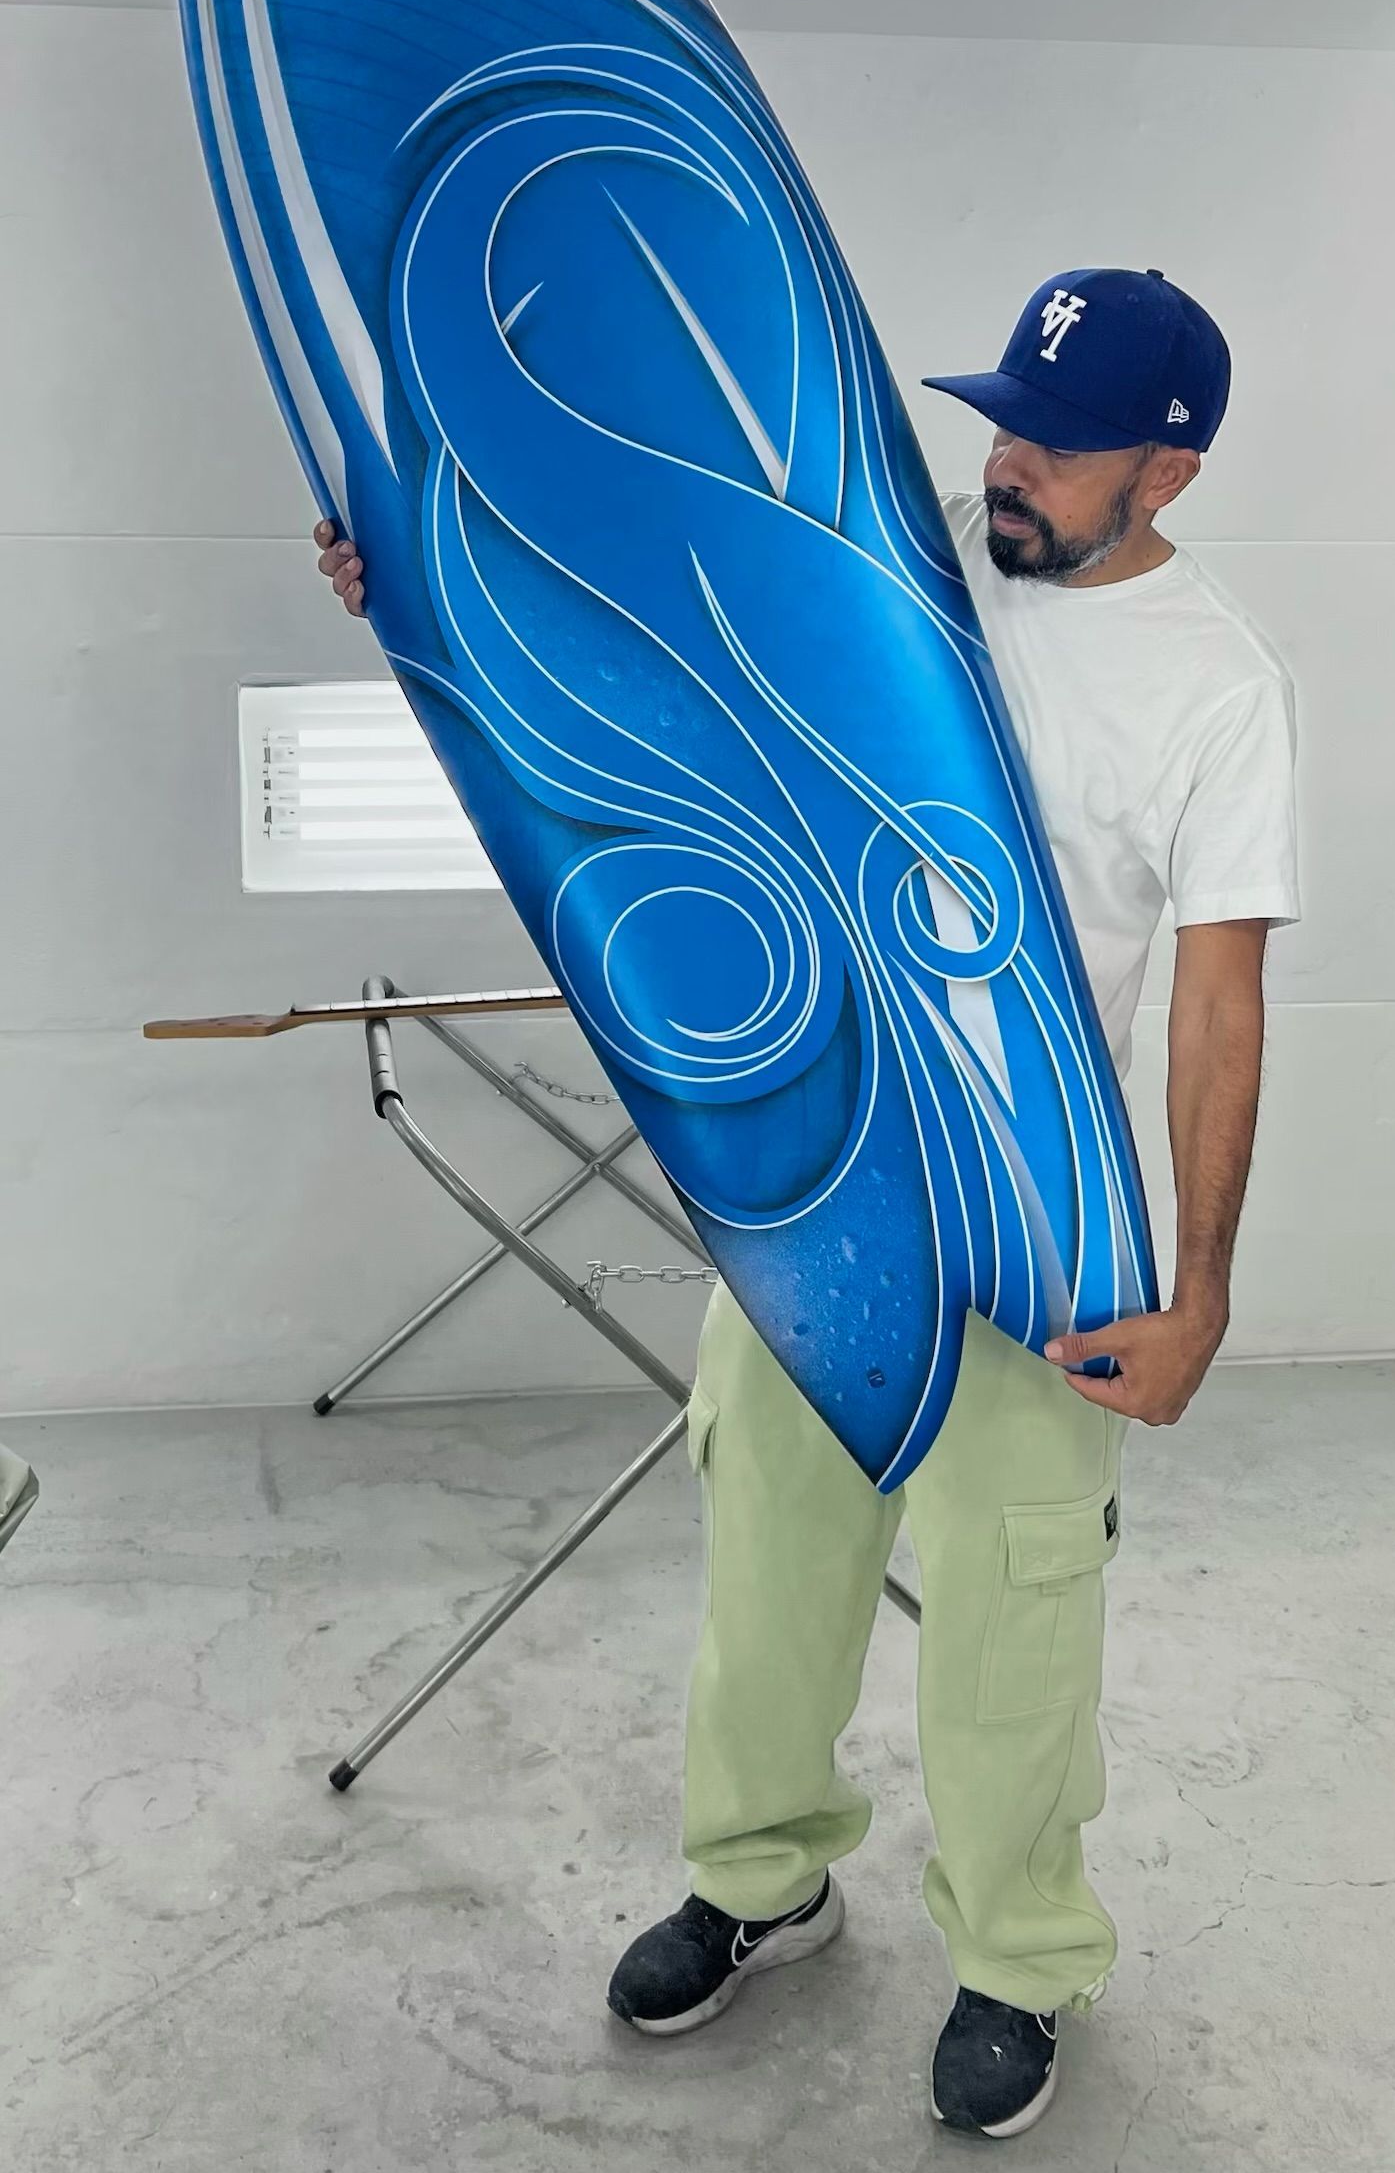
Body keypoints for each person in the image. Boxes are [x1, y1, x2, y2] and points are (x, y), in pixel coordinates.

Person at [316, 265, 1300, 2140]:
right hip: (821, 1164)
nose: (1005, 459)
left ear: (1167, 473)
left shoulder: (1220, 690)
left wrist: (1204, 1291)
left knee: (1018, 1600)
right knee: (768, 1544)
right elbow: (644, 627)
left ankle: (1019, 1959)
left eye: (1057, 443)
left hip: (1029, 1209)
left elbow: (1221, 1008)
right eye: (1001, 415)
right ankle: (760, 1875)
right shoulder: (905, 556)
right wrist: (414, 576)